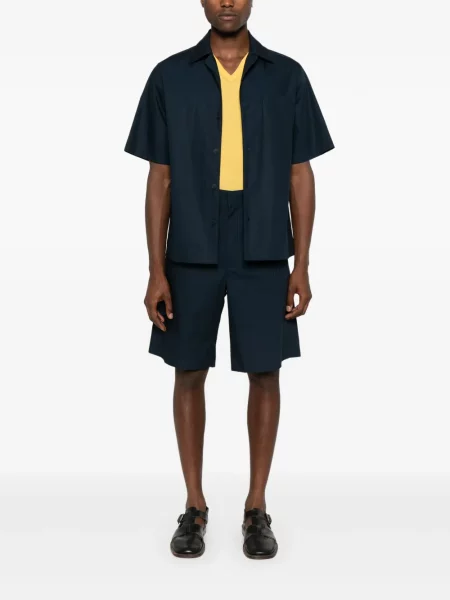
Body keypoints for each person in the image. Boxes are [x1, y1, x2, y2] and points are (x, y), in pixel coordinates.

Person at [124, 0, 334, 560]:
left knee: (265, 371)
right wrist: (156, 269)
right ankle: (194, 506)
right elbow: (160, 178)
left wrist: (302, 264)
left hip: (263, 245)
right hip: (192, 245)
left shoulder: (287, 77)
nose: (227, 2)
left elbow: (300, 174)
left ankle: (256, 507)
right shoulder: (170, 76)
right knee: (188, 369)